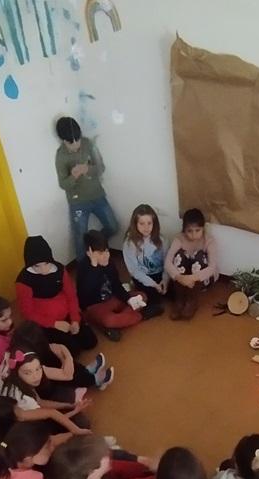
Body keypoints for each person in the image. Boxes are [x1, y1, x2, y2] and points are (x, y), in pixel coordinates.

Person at [15, 234, 97, 354]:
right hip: (45, 323)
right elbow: (28, 313)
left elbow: (71, 295)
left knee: (90, 342)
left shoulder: (59, 269)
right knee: (73, 351)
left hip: (66, 314)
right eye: (37, 266)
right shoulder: (23, 282)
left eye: (46, 264)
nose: (43, 270)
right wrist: (54, 324)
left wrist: (75, 319)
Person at [76, 230, 160, 342]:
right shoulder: (83, 267)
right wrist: (94, 266)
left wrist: (128, 299)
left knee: (141, 296)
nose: (105, 255)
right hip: (95, 306)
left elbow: (116, 285)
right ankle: (141, 315)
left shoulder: (108, 262)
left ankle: (121, 321)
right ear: (89, 253)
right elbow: (84, 295)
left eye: (106, 251)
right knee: (109, 320)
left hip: (112, 298)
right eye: (100, 253)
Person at [54, 117, 118, 263]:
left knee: (113, 227)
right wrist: (74, 176)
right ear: (63, 140)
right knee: (79, 238)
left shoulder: (88, 144)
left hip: (97, 195)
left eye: (77, 140)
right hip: (78, 202)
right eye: (71, 142)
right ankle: (84, 269)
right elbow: (63, 184)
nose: (76, 145)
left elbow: (101, 167)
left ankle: (95, 248)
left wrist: (88, 169)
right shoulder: (61, 156)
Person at [0, 349, 92, 436]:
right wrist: (74, 413)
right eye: (27, 373)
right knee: (82, 423)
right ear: (17, 373)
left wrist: (71, 405)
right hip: (24, 430)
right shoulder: (25, 400)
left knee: (67, 394)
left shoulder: (8, 368)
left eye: (38, 369)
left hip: (17, 412)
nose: (36, 376)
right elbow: (50, 416)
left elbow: (40, 402)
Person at [11, 318, 113, 391]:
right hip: (45, 390)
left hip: (48, 370)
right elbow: (67, 375)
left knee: (59, 360)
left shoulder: (27, 352)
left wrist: (63, 357)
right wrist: (66, 358)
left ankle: (86, 371)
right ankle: (94, 380)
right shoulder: (35, 367)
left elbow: (58, 348)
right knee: (66, 369)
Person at [164, 208, 218, 321]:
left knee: (199, 255)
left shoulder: (208, 240)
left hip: (201, 279)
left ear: (203, 228)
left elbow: (212, 267)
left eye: (197, 230)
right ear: (184, 229)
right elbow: (167, 262)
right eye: (189, 231)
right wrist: (179, 277)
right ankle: (179, 300)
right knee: (179, 255)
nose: (194, 234)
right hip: (182, 278)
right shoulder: (179, 238)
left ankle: (192, 301)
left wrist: (192, 278)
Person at [123, 203, 168, 305]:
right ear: (135, 224)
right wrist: (153, 284)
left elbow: (167, 263)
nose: (146, 227)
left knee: (173, 292)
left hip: (160, 274)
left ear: (154, 223)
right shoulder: (130, 244)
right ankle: (133, 288)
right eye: (142, 223)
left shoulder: (162, 240)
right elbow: (134, 270)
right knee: (153, 303)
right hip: (143, 276)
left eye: (149, 223)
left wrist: (165, 280)